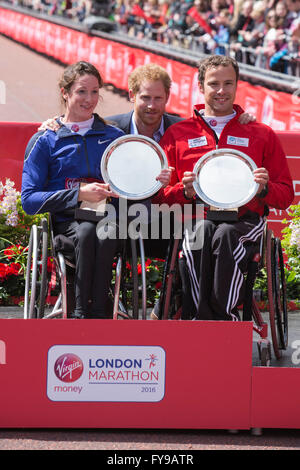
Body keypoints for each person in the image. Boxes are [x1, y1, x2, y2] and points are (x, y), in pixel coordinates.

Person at [21, 61, 171, 320]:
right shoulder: (46, 139)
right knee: (91, 229)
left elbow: (137, 182)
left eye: (94, 92)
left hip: (109, 221)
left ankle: (96, 312)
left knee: (105, 227)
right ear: (65, 92)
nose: (89, 99)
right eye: (81, 91)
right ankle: (85, 313)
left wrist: (158, 179)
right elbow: (29, 200)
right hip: (67, 223)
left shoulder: (114, 137)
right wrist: (78, 194)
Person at [157, 55, 294, 321]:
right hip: (196, 219)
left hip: (244, 220)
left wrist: (262, 190)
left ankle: (220, 321)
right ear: (200, 86)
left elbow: (286, 195)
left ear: (237, 85)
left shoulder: (261, 133)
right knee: (203, 232)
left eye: (228, 83)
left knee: (226, 235)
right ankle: (201, 319)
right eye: (214, 83)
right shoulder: (178, 134)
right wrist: (183, 192)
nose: (221, 91)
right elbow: (159, 197)